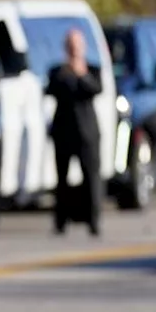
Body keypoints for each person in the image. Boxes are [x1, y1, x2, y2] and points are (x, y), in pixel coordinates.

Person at [46, 28, 103, 237]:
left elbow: (96, 89)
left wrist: (81, 74)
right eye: (70, 45)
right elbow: (51, 90)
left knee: (91, 178)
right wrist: (68, 73)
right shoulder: (57, 71)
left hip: (87, 132)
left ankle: (93, 220)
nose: (73, 49)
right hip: (63, 131)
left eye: (77, 45)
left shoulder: (92, 70)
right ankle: (60, 221)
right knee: (62, 179)